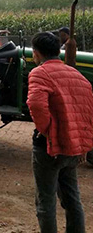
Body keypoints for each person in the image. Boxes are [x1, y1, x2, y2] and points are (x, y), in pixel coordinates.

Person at [27, 31, 93, 233]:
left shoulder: (39, 73)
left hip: (49, 147)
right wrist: (83, 145)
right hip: (72, 147)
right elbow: (87, 113)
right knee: (72, 198)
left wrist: (48, 131)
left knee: (45, 201)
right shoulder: (78, 76)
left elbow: (36, 105)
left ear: (36, 53)